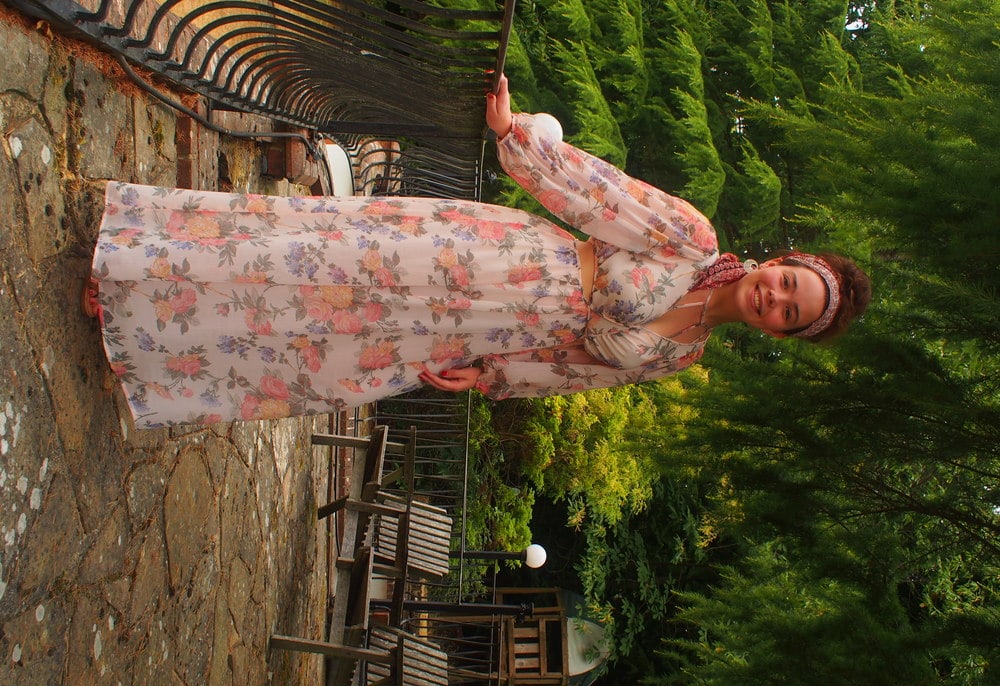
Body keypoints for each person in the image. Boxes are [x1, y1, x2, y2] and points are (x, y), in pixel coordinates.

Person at [84, 75, 870, 429]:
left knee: (326, 341)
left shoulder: (681, 359)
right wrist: (518, 141)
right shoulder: (693, 239)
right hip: (490, 259)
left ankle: (148, 341)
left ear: (781, 334)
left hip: (487, 334)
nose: (776, 298)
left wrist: (490, 377)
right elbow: (603, 195)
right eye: (787, 283)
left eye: (789, 314)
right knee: (318, 264)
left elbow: (572, 373)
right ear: (780, 261)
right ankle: (135, 268)